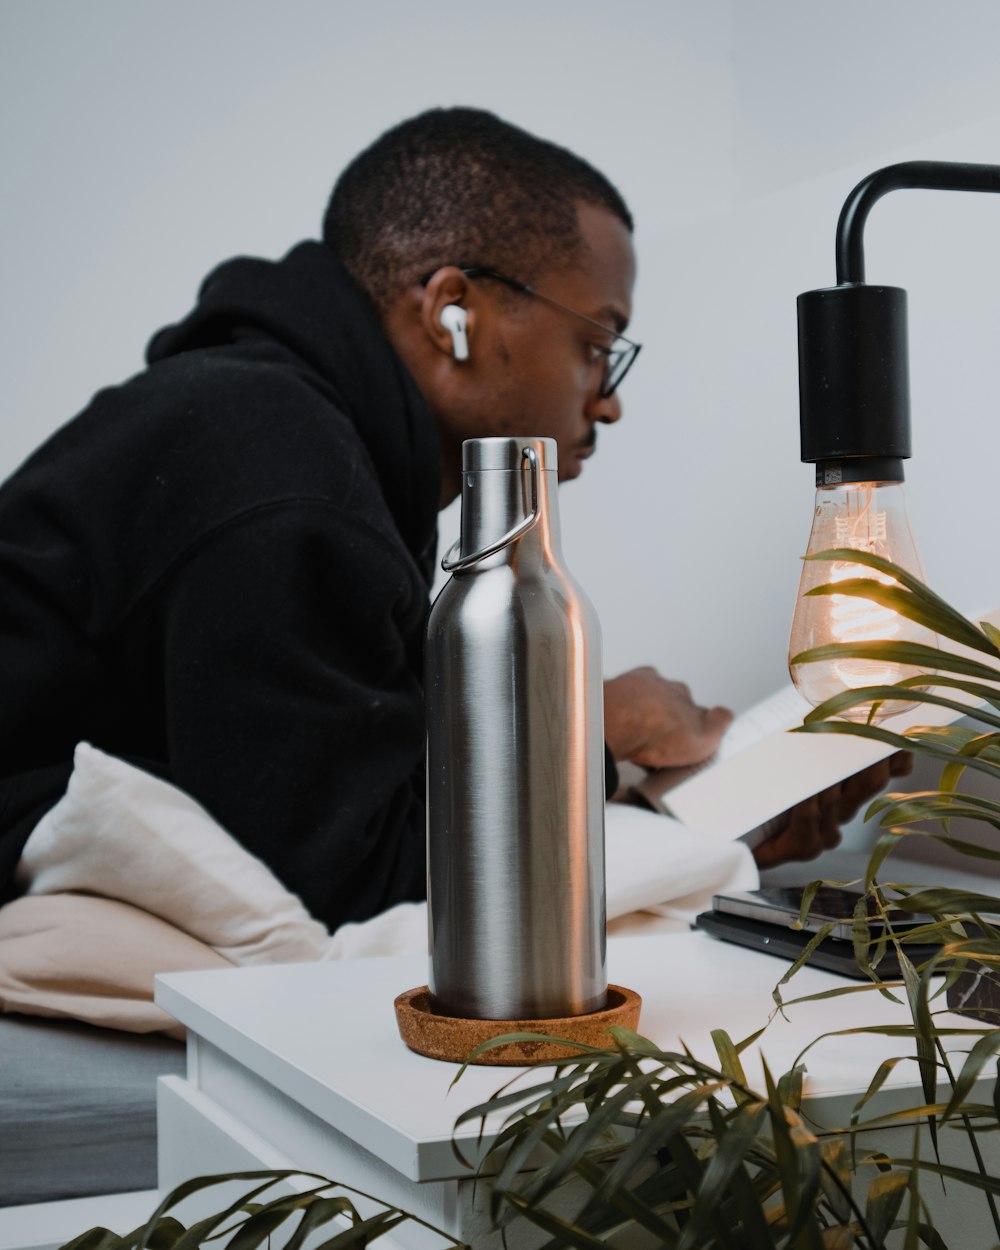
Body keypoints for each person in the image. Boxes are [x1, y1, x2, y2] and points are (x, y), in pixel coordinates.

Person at [0, 107, 897, 931]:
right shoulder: (278, 466)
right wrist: (584, 722)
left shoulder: (296, 435)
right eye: (596, 345)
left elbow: (352, 795)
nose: (608, 402)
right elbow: (345, 882)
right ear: (452, 312)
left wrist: (693, 818)